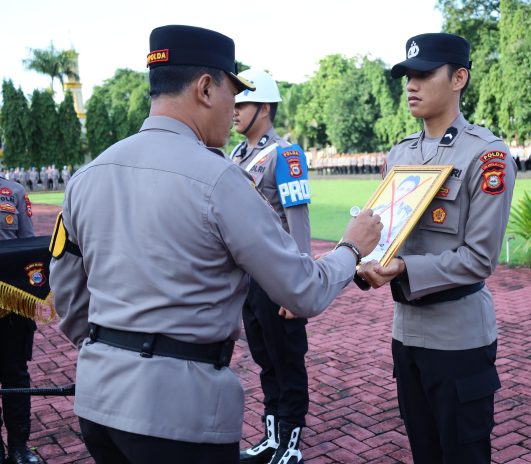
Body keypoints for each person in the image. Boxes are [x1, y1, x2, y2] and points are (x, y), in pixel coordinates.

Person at [49, 24, 382, 464]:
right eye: (232, 94)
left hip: (98, 404)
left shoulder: (87, 176)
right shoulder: (220, 178)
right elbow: (305, 289)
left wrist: (114, 354)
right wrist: (351, 249)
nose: (234, 109)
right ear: (206, 88)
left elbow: (70, 299)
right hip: (181, 417)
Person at [355, 33, 516, 464]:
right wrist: (363, 258)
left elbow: (479, 259)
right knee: (423, 452)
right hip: (406, 333)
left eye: (424, 74)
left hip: (459, 337)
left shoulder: (487, 156)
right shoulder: (400, 153)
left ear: (459, 78)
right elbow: (386, 234)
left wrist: (403, 268)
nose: (412, 84)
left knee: (463, 455)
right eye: (408, 75)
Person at [229, 69, 312, 464]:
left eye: (241, 103)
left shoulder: (286, 154)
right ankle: (272, 436)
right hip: (249, 279)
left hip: (278, 277)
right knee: (264, 360)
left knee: (287, 361)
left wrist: (298, 287)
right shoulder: (235, 156)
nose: (233, 109)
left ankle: (291, 444)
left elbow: (298, 222)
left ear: (263, 108)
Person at [0, 176, 40, 464]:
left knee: (15, 373)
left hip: (10, 303)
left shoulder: (13, 191)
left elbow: (27, 246)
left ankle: (18, 447)